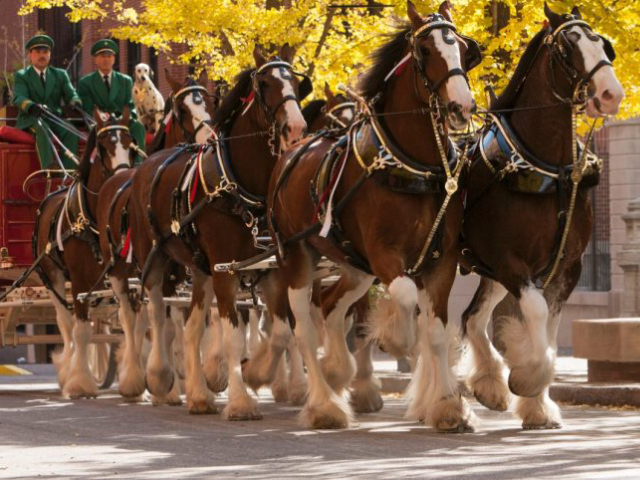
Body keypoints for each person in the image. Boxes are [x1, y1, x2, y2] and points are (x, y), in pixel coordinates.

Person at [13, 34, 82, 170]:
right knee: (41, 126)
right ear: (30, 55)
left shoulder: (60, 74)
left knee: (71, 130)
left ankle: (71, 172)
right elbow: (18, 97)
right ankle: (49, 168)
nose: (42, 55)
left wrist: (75, 101)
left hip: (54, 117)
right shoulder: (22, 75)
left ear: (50, 55)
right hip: (31, 118)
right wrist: (31, 105)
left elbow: (71, 94)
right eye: (38, 52)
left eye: (45, 52)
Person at [77, 39, 146, 161]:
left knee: (138, 127)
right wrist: (101, 117)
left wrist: (128, 117)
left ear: (114, 59)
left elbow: (130, 105)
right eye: (102, 56)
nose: (106, 59)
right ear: (96, 59)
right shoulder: (86, 82)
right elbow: (87, 108)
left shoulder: (125, 80)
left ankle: (138, 163)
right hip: (99, 122)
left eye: (109, 56)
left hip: (121, 120)